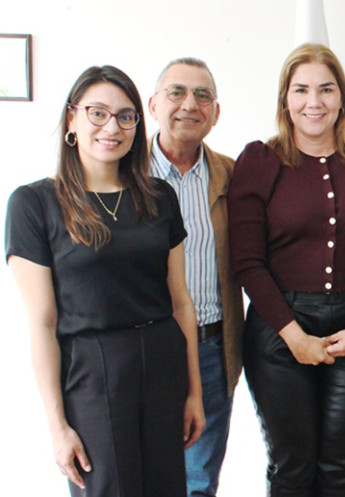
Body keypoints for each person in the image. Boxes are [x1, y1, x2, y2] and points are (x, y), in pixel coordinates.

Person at [6, 65, 204, 497]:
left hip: (162, 363)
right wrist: (58, 427)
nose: (112, 126)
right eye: (98, 113)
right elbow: (42, 323)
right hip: (92, 372)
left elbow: (181, 303)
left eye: (126, 116)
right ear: (72, 120)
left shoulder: (158, 196)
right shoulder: (33, 203)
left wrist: (195, 394)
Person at [227, 43, 345, 497]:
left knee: (340, 467)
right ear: (285, 100)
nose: (313, 102)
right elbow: (247, 262)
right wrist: (293, 335)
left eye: (325, 89)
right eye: (301, 90)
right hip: (279, 332)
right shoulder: (259, 161)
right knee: (292, 467)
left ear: (342, 99)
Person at [148, 57, 244, 497]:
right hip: (143, 348)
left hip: (210, 348)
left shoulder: (233, 175)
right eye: (177, 92)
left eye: (202, 95)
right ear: (153, 105)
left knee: (199, 482)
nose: (190, 104)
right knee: (138, 475)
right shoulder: (125, 174)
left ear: (216, 112)